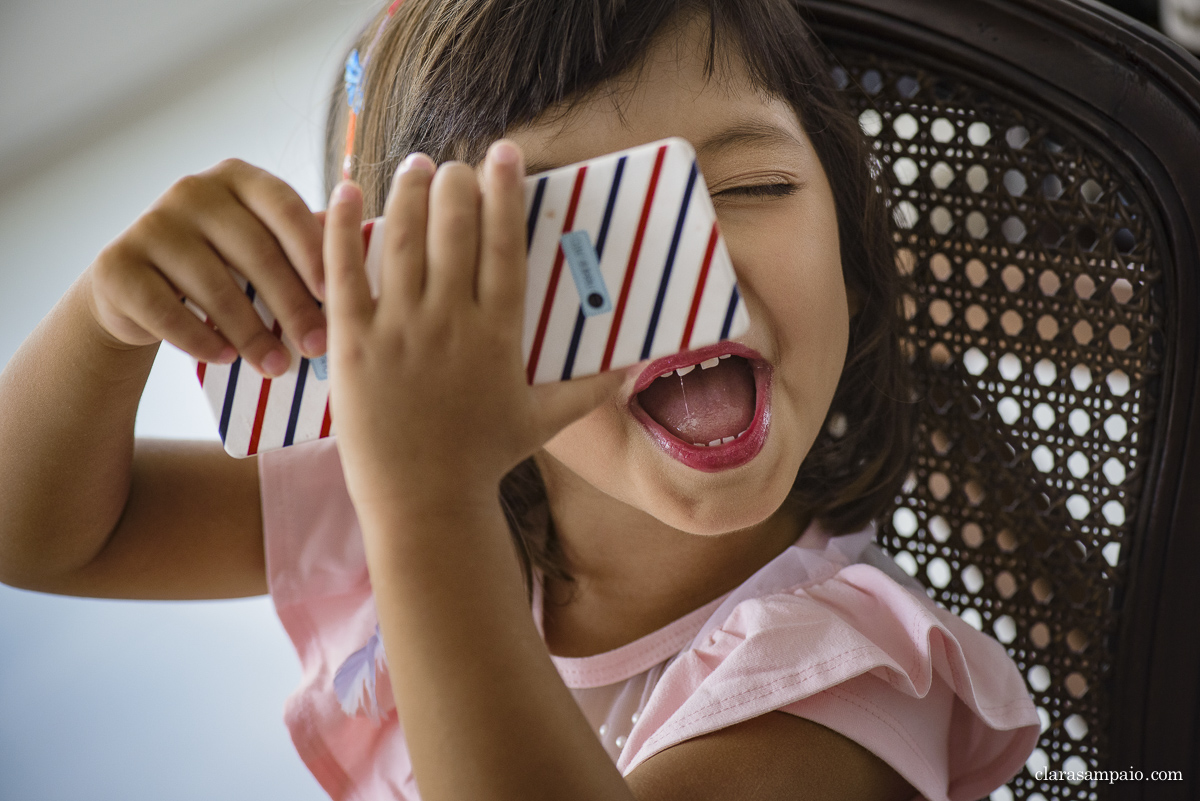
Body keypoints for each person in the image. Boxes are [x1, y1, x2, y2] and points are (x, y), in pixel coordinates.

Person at [0, 1, 1040, 799]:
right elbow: (41, 536)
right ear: (436, 311)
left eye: (750, 187)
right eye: (562, 234)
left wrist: (428, 504)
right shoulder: (400, 494)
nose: (690, 273)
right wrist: (108, 315)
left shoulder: (847, 685)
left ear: (849, 235)